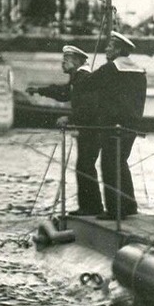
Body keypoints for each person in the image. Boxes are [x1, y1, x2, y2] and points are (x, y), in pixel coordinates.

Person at [29, 44, 102, 215]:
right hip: (87, 129)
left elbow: (88, 108)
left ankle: (91, 207)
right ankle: (89, 207)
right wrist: (40, 90)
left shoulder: (84, 78)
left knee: (85, 166)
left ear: (77, 61)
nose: (62, 63)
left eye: (66, 60)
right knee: (84, 166)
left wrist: (69, 119)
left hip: (92, 130)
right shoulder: (78, 78)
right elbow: (64, 93)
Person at [85, 31, 147, 219]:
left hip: (112, 124)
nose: (106, 49)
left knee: (109, 164)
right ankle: (129, 205)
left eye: (110, 46)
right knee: (121, 162)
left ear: (119, 49)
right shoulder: (139, 70)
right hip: (131, 124)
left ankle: (114, 210)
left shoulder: (111, 68)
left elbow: (88, 84)